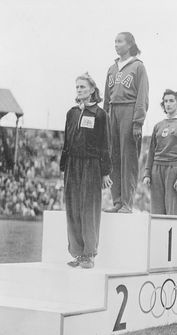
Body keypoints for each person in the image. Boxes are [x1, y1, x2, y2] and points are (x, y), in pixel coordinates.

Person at [60, 73, 112, 268]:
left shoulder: (100, 114)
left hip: (91, 165)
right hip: (72, 164)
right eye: (77, 87)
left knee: (88, 209)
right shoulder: (71, 113)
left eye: (83, 87)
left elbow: (106, 144)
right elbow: (66, 141)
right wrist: (63, 166)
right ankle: (77, 253)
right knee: (73, 208)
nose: (79, 90)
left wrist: (105, 172)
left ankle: (89, 254)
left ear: (92, 90)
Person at [103, 32, 149, 213]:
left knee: (128, 158)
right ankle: (117, 201)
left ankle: (127, 203)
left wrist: (138, 122)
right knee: (113, 157)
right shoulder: (111, 68)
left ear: (129, 44)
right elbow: (107, 98)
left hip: (129, 111)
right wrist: (105, 118)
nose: (116, 44)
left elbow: (142, 96)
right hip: (113, 111)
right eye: (114, 41)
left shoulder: (138, 67)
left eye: (119, 41)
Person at [143, 89, 177, 215]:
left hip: (173, 169)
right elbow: (151, 151)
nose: (168, 104)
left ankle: (173, 235)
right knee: (156, 212)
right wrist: (147, 173)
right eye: (165, 101)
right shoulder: (158, 126)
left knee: (172, 211)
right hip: (156, 169)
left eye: (171, 101)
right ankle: (158, 235)